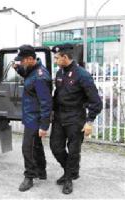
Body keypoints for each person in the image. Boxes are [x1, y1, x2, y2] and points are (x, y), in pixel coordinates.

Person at [50, 43, 102, 194]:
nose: (55, 60)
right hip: (60, 117)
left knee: (73, 151)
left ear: (65, 57)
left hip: (75, 118)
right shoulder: (60, 73)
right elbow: (58, 95)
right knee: (56, 147)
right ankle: (71, 171)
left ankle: (68, 179)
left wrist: (89, 122)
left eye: (56, 58)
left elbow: (96, 102)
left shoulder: (82, 75)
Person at [13, 45, 52, 192]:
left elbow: (46, 103)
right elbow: (26, 75)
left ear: (30, 59)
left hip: (35, 119)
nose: (21, 63)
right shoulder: (33, 71)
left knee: (27, 148)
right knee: (36, 145)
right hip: (31, 116)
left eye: (22, 61)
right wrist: (17, 68)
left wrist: (44, 125)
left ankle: (29, 176)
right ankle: (41, 171)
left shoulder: (40, 77)